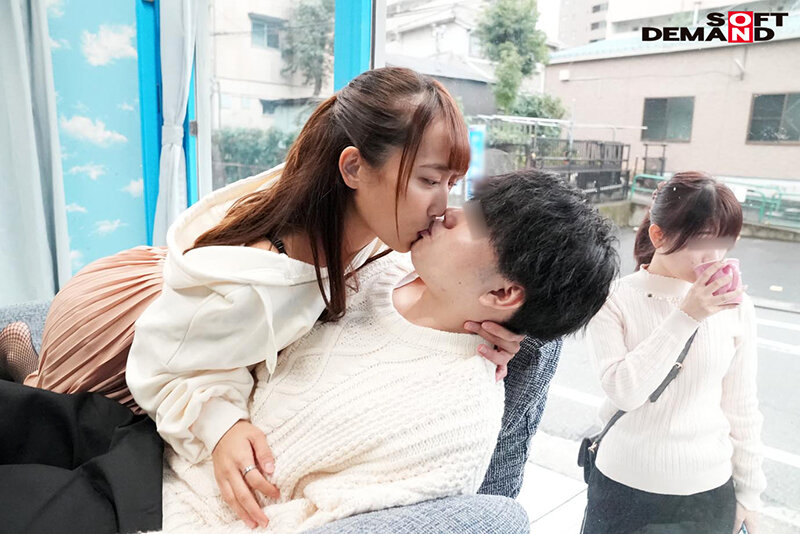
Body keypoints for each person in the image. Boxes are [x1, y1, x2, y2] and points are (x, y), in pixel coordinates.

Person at [0, 67, 524, 528]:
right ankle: (33, 370)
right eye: (430, 180)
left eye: (453, 182)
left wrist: (501, 327)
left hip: (183, 317)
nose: (443, 207)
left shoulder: (365, 223)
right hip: (120, 333)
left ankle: (26, 369)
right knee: (52, 418)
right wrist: (221, 425)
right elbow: (164, 367)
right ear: (353, 169)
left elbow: (456, 279)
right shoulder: (261, 286)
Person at [159, 169, 620, 533]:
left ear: (502, 294)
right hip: (159, 437)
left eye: (476, 221)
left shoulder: (453, 428)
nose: (448, 212)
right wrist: (220, 423)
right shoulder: (376, 258)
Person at [582, 171, 767, 534]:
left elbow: (741, 405)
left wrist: (750, 494)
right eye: (701, 241)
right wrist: (687, 315)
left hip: (706, 493)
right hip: (622, 486)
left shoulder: (736, 305)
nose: (714, 257)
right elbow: (624, 391)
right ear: (658, 235)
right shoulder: (613, 299)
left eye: (725, 243)